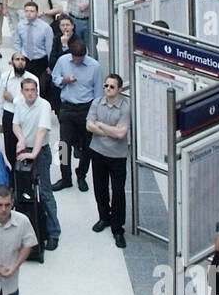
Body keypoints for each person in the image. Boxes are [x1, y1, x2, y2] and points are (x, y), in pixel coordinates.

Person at [13, 74, 61, 251]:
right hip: (26, 151)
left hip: (41, 152)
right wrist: (21, 140)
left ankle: (54, 232)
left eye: (33, 90)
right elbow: (16, 125)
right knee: (24, 191)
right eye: (27, 90)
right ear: (22, 92)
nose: (31, 93)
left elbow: (42, 130)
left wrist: (34, 152)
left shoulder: (44, 105)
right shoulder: (19, 103)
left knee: (45, 192)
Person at [86, 72, 131, 247]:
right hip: (97, 152)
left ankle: (118, 228)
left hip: (117, 156)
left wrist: (102, 126)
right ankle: (104, 217)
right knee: (100, 187)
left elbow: (121, 134)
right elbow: (89, 125)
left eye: (111, 86)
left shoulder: (124, 108)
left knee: (118, 192)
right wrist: (111, 131)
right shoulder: (97, 102)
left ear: (119, 89)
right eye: (106, 85)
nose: (107, 89)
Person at [50, 38, 100, 192]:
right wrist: (64, 80)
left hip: (86, 109)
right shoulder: (63, 61)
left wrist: (95, 115)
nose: (77, 61)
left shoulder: (94, 66)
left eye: (80, 58)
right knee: (63, 145)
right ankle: (65, 177)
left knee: (87, 147)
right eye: (75, 58)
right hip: (67, 107)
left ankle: (81, 175)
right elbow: (55, 78)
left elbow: (98, 92)